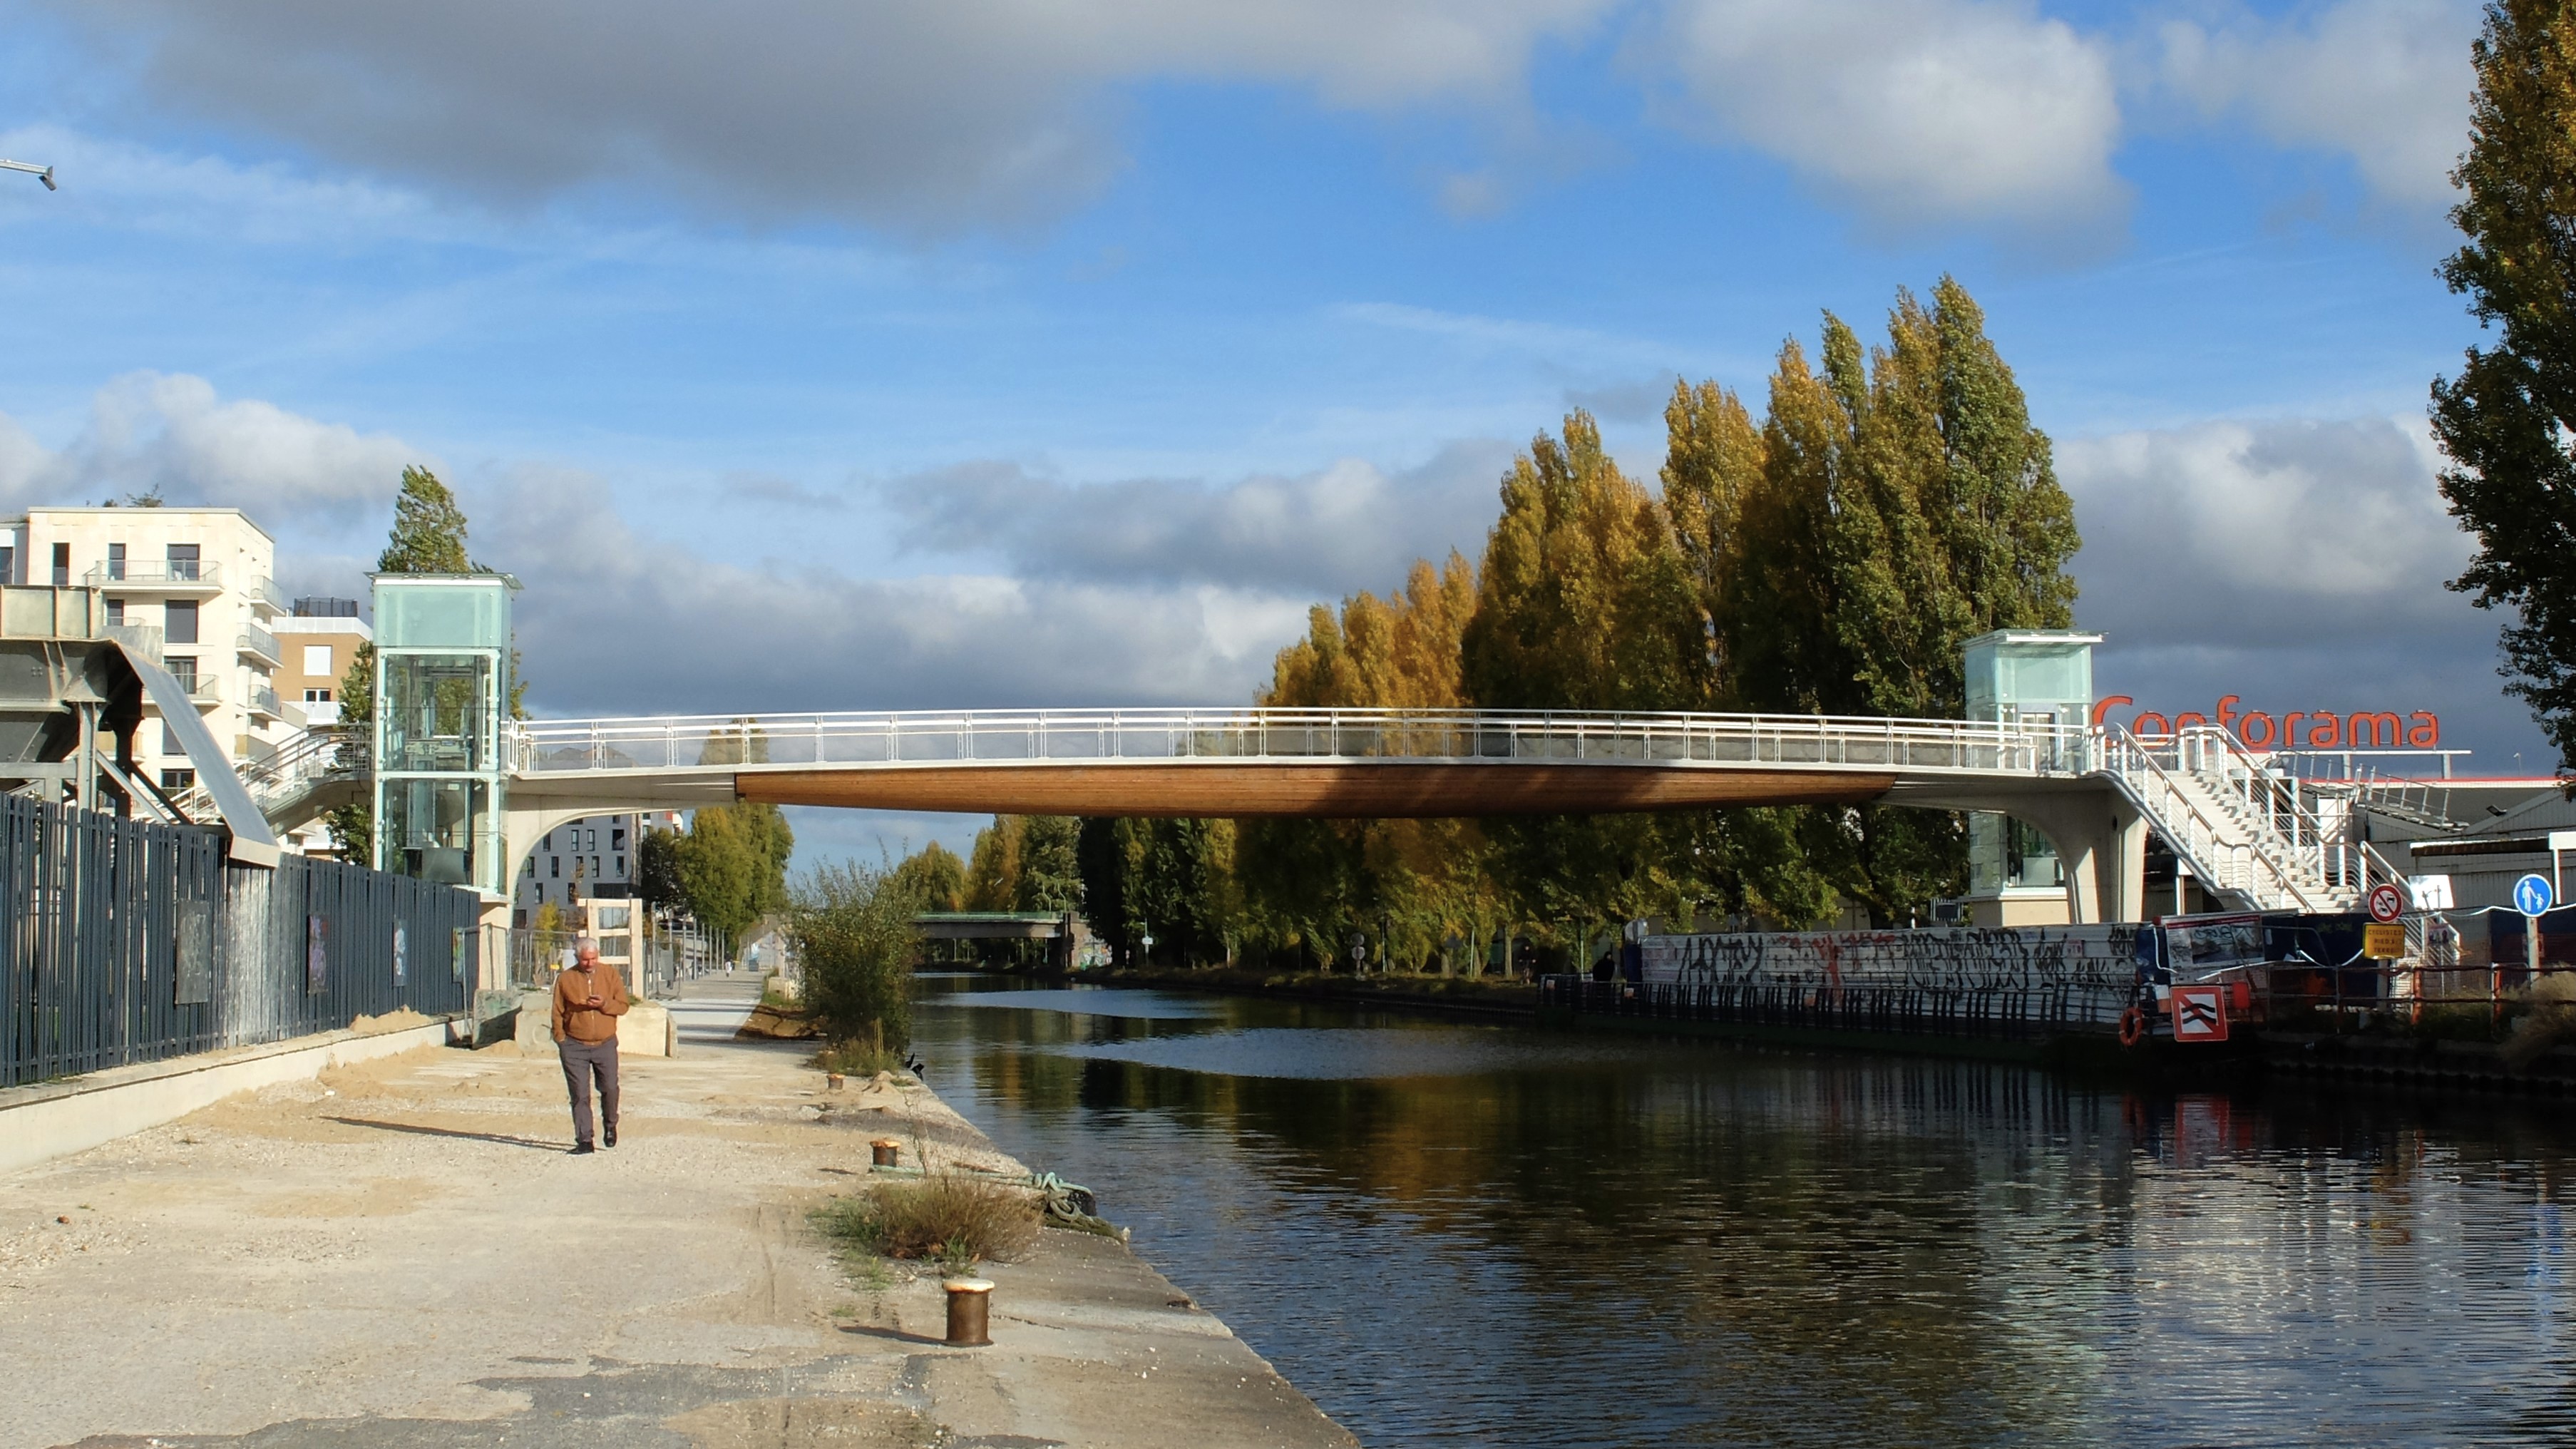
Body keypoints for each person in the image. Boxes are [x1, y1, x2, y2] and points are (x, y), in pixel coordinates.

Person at [552, 936, 630, 1154]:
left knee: (610, 1088)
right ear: (577, 957)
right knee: (579, 1093)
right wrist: (561, 1039)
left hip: (605, 1043)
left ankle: (611, 1124)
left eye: (593, 959)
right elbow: (557, 1011)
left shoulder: (611, 975)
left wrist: (604, 1004)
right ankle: (585, 1140)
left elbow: (623, 1006)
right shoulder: (566, 979)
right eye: (585, 960)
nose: (590, 963)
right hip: (574, 1045)